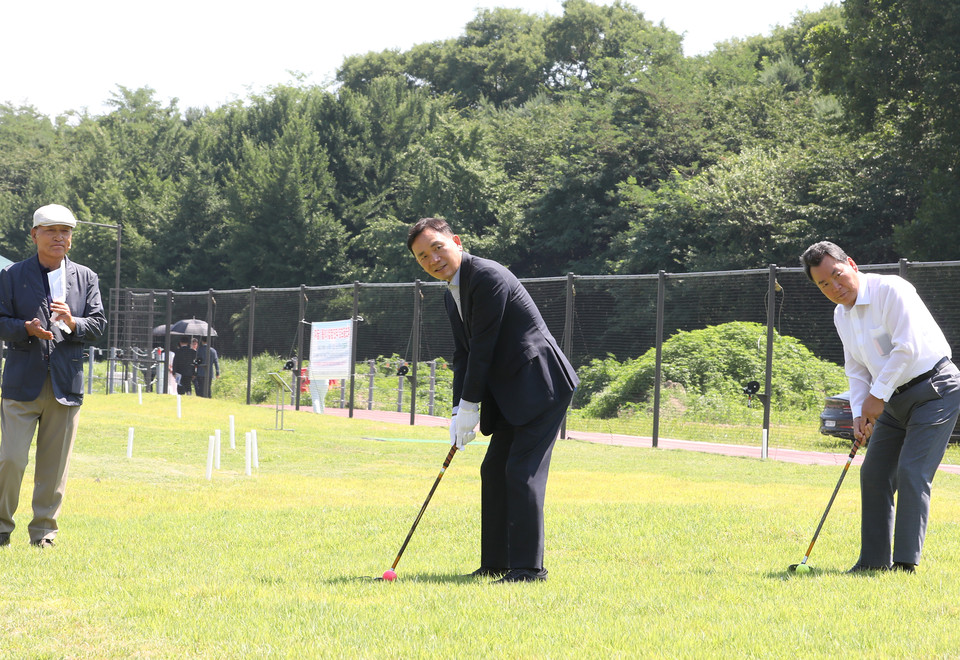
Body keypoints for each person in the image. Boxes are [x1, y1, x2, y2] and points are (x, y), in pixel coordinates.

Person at [407, 217, 579, 583]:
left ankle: (529, 570)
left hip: (541, 383)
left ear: (456, 240)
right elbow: (463, 354)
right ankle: (497, 563)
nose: (433, 259)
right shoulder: (451, 292)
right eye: (423, 257)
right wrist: (457, 409)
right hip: (510, 389)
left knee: (521, 471)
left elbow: (484, 347)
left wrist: (471, 407)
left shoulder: (487, 277)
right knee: (493, 470)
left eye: (437, 248)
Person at [801, 241, 960, 573]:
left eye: (837, 275)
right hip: (890, 400)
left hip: (936, 389)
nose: (835, 287)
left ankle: (904, 564)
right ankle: (872, 562)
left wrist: (876, 397)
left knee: (912, 472)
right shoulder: (840, 315)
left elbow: (907, 348)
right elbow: (856, 369)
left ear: (852, 264)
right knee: (873, 473)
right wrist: (860, 412)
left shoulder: (892, 290)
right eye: (824, 284)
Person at [0, 204, 106, 547]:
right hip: (20, 384)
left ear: (71, 239)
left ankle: (44, 532)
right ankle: (2, 528)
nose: (59, 237)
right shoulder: (12, 275)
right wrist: (25, 329)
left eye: (65, 231)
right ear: (34, 235)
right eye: (51, 231)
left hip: (65, 384)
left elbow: (99, 325)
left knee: (54, 466)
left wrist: (74, 322)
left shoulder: (86, 277)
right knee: (11, 459)